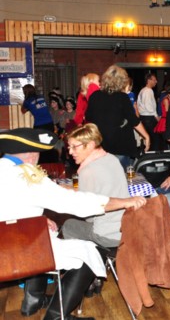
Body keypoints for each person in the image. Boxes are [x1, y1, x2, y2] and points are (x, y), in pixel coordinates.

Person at [0, 128, 145, 320]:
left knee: (47, 236)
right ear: (32, 153)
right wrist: (124, 202)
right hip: (21, 253)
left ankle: (33, 301)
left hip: (5, 250)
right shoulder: (30, 178)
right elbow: (79, 204)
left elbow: (11, 208)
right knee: (87, 252)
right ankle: (56, 316)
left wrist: (36, 220)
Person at [85, 65, 150, 169]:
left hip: (100, 146)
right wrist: (146, 136)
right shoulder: (122, 97)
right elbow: (134, 120)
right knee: (122, 176)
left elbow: (88, 118)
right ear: (122, 81)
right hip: (120, 146)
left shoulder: (94, 96)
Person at [137, 72, 161, 151]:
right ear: (148, 80)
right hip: (149, 119)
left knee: (146, 139)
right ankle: (154, 156)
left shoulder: (142, 90)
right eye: (154, 80)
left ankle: (146, 154)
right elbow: (149, 107)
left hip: (143, 118)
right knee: (155, 139)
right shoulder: (148, 91)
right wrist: (156, 116)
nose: (156, 81)